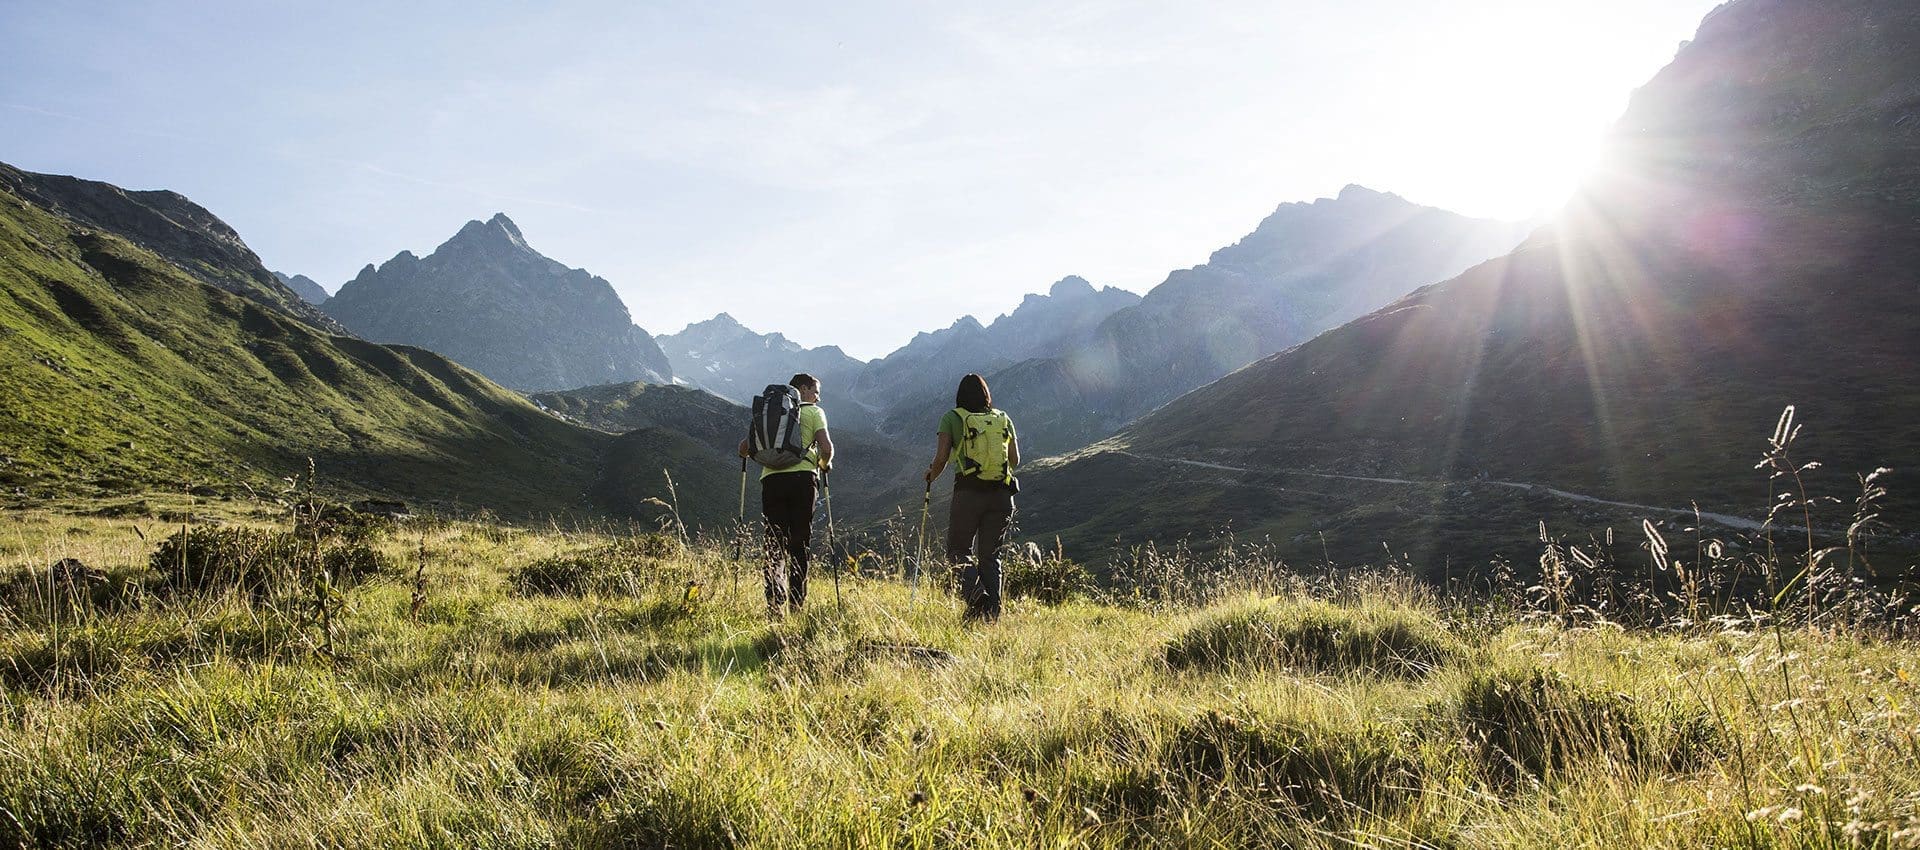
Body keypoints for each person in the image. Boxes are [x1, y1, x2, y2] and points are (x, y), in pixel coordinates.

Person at [924, 373, 1019, 621]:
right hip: (1002, 495)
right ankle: (991, 615)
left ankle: (977, 596)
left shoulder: (952, 418)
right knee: (990, 556)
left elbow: (942, 458)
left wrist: (930, 476)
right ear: (986, 395)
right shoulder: (1003, 418)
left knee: (957, 550)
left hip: (969, 493)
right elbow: (1015, 460)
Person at [738, 373, 833, 615]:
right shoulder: (813, 412)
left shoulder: (772, 413)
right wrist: (824, 464)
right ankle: (796, 605)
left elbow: (743, 449)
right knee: (800, 543)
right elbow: (826, 448)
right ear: (803, 388)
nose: (818, 397)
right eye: (816, 391)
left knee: (774, 543)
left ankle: (774, 605)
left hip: (772, 481)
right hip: (803, 480)